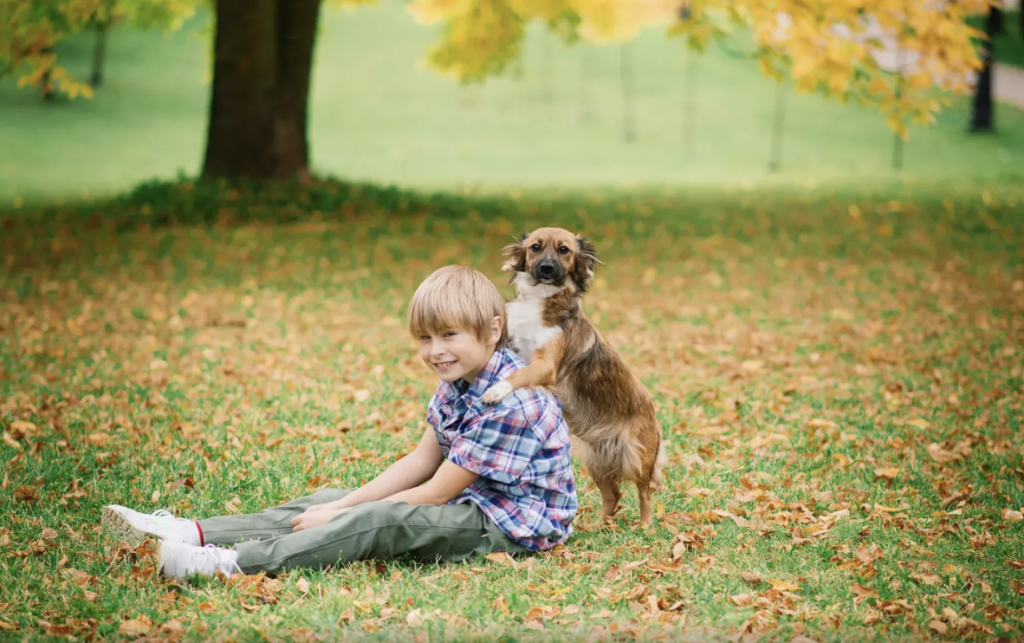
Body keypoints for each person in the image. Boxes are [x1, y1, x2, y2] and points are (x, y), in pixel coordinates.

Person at [101, 265, 577, 579]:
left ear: (493, 330)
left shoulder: (512, 400)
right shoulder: (461, 379)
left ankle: (225, 563)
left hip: (509, 523)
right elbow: (421, 461)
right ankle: (193, 532)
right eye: (425, 338)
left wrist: (347, 515)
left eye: (449, 335)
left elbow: (435, 492)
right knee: (330, 499)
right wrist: (341, 505)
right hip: (473, 499)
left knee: (379, 519)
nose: (435, 351)